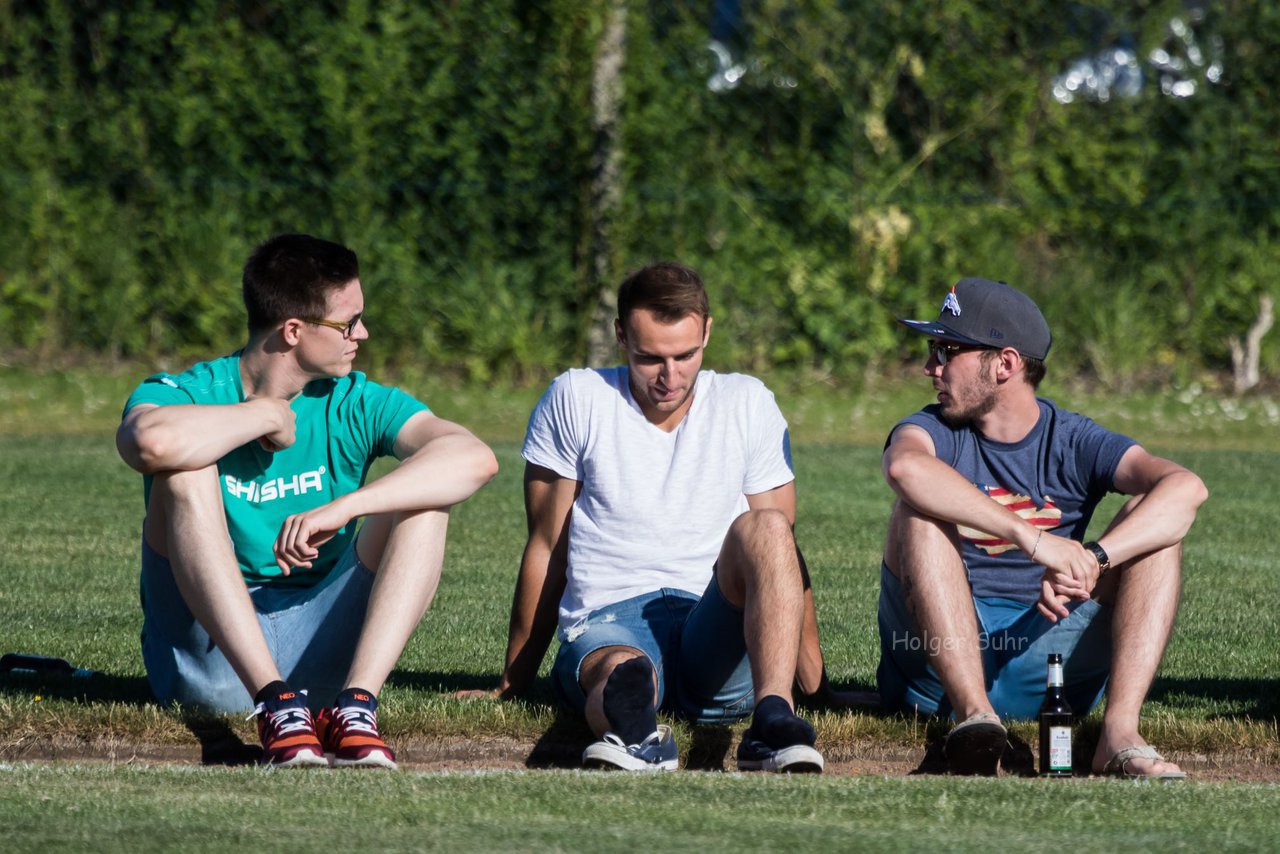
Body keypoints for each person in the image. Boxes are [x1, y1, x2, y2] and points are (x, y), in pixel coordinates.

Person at [470, 261, 871, 773]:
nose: (670, 376)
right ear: (620, 336)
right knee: (622, 670)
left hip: (714, 620)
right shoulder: (576, 396)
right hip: (610, 618)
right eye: (649, 358)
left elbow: (780, 559)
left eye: (686, 355)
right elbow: (548, 546)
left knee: (768, 525)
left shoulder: (748, 402)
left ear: (707, 331)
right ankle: (633, 735)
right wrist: (513, 681)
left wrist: (818, 688)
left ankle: (773, 721)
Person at [116, 234, 499, 769]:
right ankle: (273, 702)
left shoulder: (353, 399)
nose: (361, 334)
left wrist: (347, 507)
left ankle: (356, 707)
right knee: (183, 469)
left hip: (321, 652)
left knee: (426, 495)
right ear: (293, 330)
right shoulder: (193, 390)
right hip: (209, 662)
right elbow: (147, 442)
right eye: (348, 323)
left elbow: (473, 458)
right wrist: (266, 415)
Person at [879, 277, 1207, 778]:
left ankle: (1119, 733)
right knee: (916, 510)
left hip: (1047, 662)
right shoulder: (931, 429)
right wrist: (1034, 541)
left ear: (1005, 364)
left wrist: (1094, 559)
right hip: (938, 661)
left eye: (946, 350)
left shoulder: (1074, 438)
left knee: (1158, 531)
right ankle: (975, 719)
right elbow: (906, 470)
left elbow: (1187, 488)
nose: (930, 368)